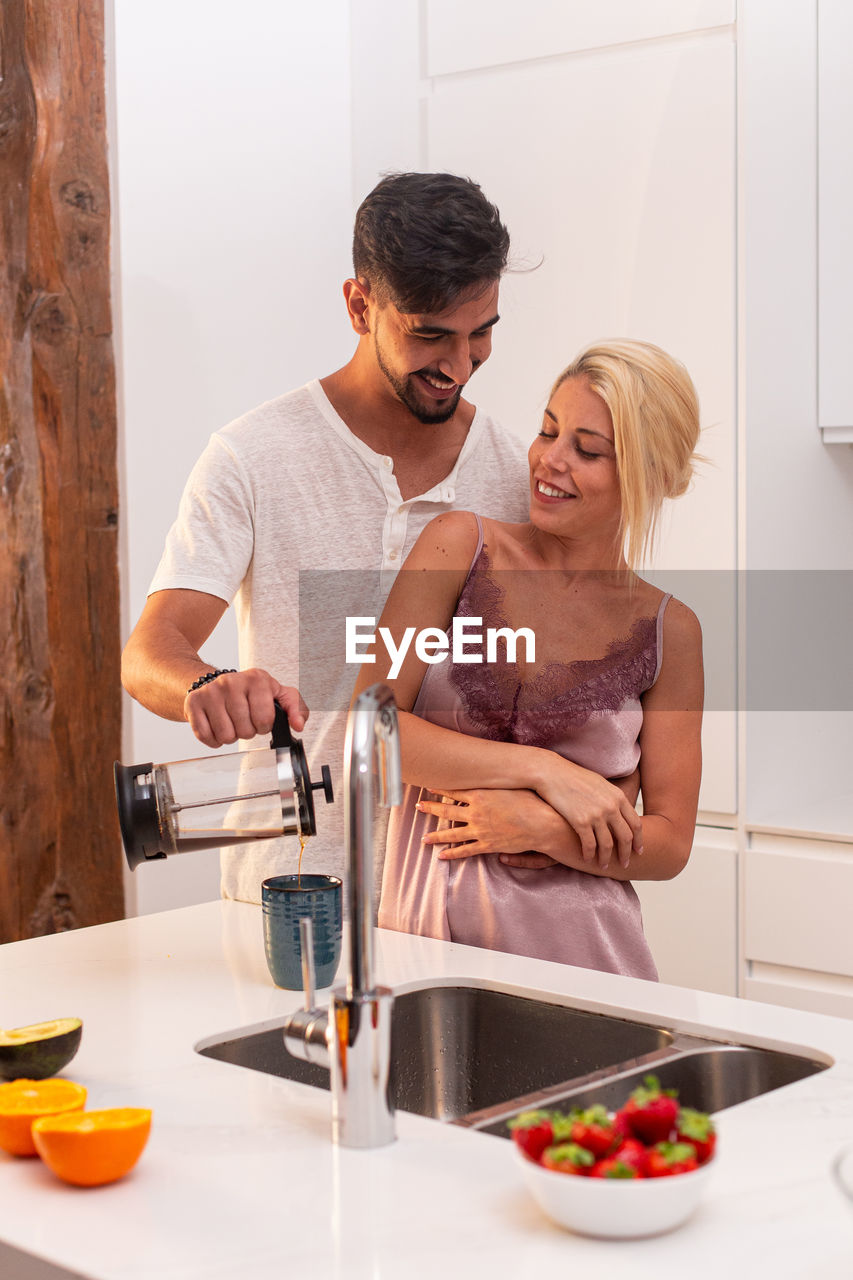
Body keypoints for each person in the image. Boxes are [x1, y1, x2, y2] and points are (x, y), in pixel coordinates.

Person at [122, 171, 558, 901]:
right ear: (360, 306)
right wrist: (209, 686)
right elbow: (149, 653)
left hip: (468, 905)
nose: (458, 365)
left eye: (479, 333)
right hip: (293, 896)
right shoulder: (252, 455)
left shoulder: (519, 478)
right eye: (429, 335)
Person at [353, 339, 704, 979]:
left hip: (592, 961)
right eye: (548, 431)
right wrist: (545, 772)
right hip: (428, 952)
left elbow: (671, 842)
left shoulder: (670, 631)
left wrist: (545, 829)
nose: (549, 460)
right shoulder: (457, 546)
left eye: (587, 449)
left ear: (647, 476)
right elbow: (370, 732)